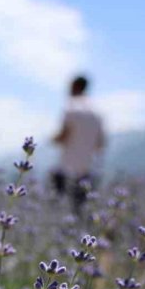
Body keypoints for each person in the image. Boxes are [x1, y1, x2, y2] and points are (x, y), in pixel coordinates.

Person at [51, 75, 105, 217]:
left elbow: (63, 136)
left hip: (67, 168)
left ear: (76, 87)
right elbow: (100, 143)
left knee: (59, 210)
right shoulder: (96, 112)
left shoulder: (71, 107)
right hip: (87, 169)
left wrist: (52, 139)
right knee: (82, 211)